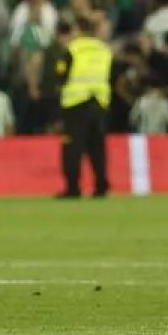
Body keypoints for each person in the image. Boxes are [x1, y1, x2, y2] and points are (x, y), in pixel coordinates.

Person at [53, 15, 113, 199]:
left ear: (77, 30)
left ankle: (73, 188)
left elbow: (60, 75)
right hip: (99, 102)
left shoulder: (72, 49)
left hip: (76, 103)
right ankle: (101, 186)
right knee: (97, 147)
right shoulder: (104, 49)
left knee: (72, 147)